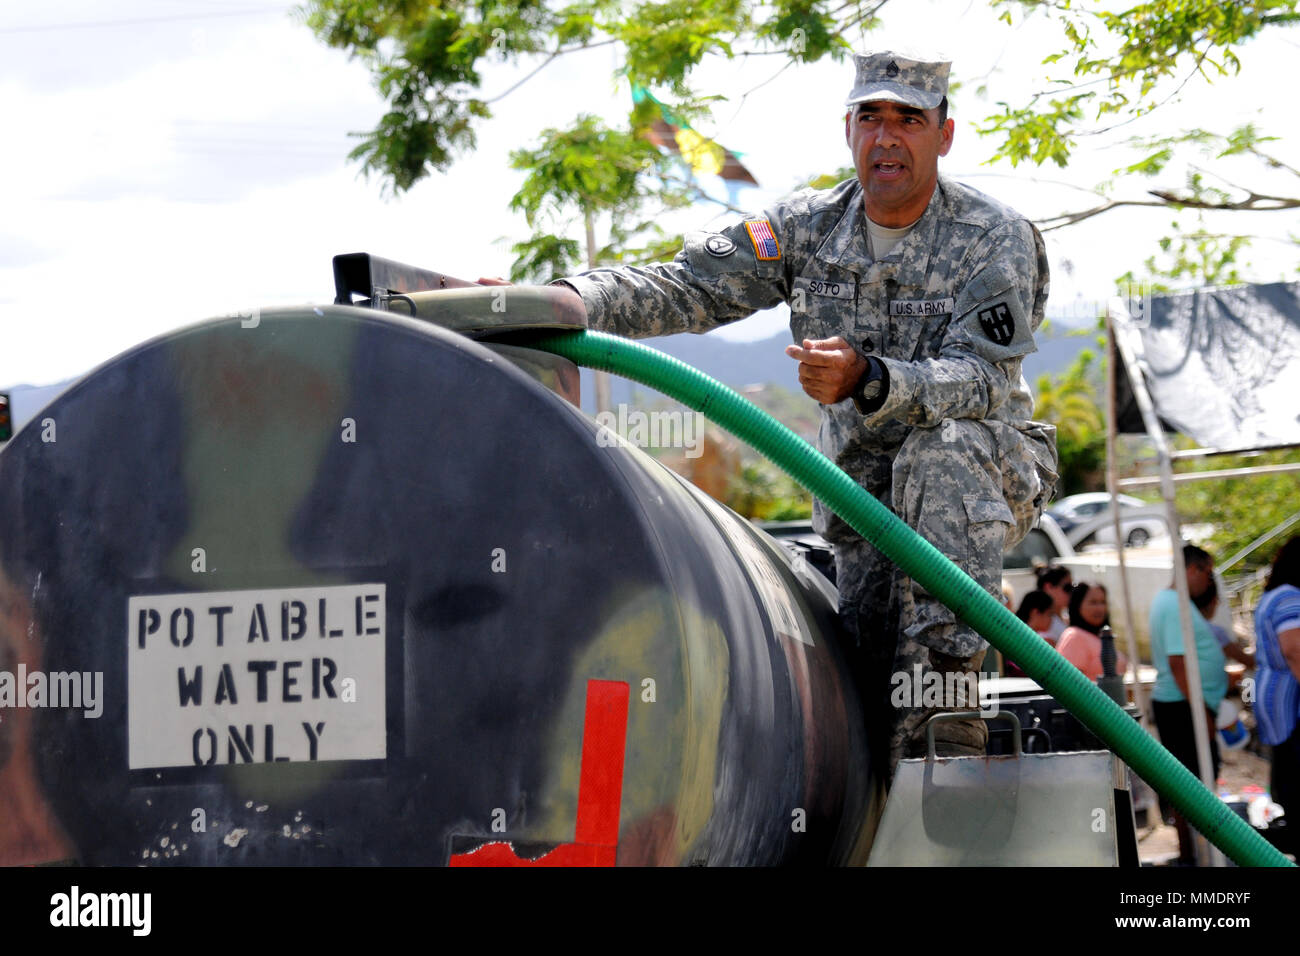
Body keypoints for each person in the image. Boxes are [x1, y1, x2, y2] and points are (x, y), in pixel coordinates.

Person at [536, 50, 1059, 778]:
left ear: (944, 136)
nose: (887, 138)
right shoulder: (805, 229)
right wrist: (560, 302)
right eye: (870, 118)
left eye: (909, 120)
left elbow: (981, 381)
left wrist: (869, 377)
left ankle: (951, 710)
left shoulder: (992, 235)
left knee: (942, 451)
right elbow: (685, 286)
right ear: (847, 130)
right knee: (875, 701)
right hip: (861, 495)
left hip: (983, 473)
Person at [1149, 544, 1225, 864]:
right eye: (1206, 573)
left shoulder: (1174, 603)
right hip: (1181, 705)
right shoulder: (1174, 604)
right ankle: (1192, 853)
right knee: (1188, 782)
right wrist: (1199, 712)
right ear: (1191, 570)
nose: (1209, 581)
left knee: (1192, 779)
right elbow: (1178, 662)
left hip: (1182, 704)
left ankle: (1195, 850)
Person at [1253, 536, 1300, 821]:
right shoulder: (1289, 597)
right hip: (1287, 697)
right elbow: (1294, 649)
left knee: (1286, 764)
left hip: (1271, 691)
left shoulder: (1273, 594)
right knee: (1294, 766)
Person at [1056, 582, 1127, 680]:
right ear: (1078, 605)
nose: (1100, 608)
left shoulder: (1100, 636)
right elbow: (1069, 683)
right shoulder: (1074, 637)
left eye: (1103, 602)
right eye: (1093, 602)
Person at [1003, 589, 1057, 677]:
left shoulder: (1033, 639)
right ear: (1035, 612)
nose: (1052, 620)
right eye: (1049, 614)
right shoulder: (1014, 637)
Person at [1034, 565, 1072, 643]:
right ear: (1048, 587)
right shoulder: (1041, 622)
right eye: (1068, 587)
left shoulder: (1066, 616)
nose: (1071, 592)